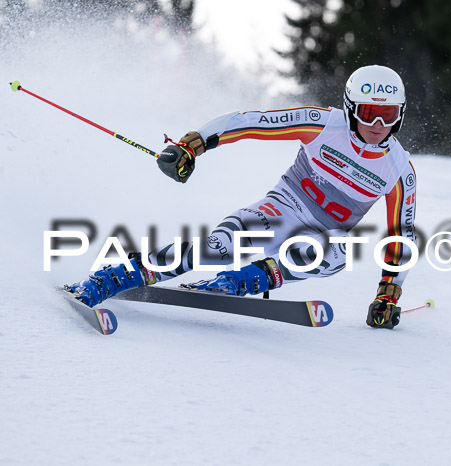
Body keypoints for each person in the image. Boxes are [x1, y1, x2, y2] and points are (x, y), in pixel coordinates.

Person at [68, 65, 417, 329]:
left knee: (337, 253)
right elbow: (251, 122)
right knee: (219, 247)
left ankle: (235, 283)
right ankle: (115, 277)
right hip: (281, 210)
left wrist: (388, 292)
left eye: (388, 115)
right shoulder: (324, 124)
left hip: (322, 236)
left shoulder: (399, 170)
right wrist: (193, 145)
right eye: (369, 112)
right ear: (351, 107)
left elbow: (402, 236)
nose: (378, 124)